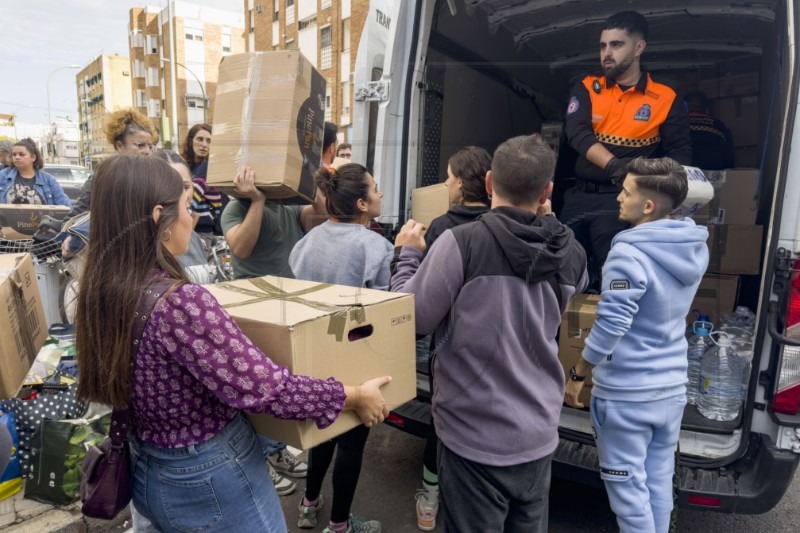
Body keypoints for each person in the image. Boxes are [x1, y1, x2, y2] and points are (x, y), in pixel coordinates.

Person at [74, 154, 392, 533]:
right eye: (186, 206)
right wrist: (353, 396)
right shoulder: (179, 303)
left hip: (147, 465)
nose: (191, 218)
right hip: (209, 475)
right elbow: (267, 388)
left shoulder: (99, 292)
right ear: (160, 217)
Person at [391, 134, 588, 532]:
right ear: (547, 190)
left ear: (488, 183)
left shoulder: (459, 243)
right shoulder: (571, 252)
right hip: (537, 434)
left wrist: (408, 254)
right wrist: (548, 221)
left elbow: (411, 318)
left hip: (471, 436)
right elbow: (578, 286)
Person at [565, 157, 708, 533]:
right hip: (670, 389)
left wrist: (579, 372)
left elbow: (613, 322)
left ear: (648, 206)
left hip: (628, 395)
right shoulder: (692, 246)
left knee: (628, 494)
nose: (617, 199)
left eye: (625, 192)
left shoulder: (628, 253)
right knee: (658, 482)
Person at [289, 163, 391, 533]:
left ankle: (308, 503)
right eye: (376, 190)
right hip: (357, 356)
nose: (380, 195)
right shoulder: (377, 247)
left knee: (321, 430)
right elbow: (383, 311)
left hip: (315, 353)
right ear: (362, 204)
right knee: (351, 442)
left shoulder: (307, 241)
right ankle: (339, 525)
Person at [561, 10, 692, 292]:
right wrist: (614, 167)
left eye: (616, 45)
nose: (606, 53)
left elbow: (680, 154)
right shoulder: (587, 86)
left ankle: (610, 333)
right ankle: (564, 335)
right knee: (563, 275)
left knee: (616, 278)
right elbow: (577, 133)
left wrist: (666, 200)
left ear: (639, 47)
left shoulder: (665, 96)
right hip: (578, 197)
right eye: (603, 45)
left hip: (622, 202)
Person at [413, 145, 492, 531]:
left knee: (440, 421)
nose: (445, 183)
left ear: (460, 183)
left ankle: (430, 497)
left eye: (448, 176)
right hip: (489, 343)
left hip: (448, 345)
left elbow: (424, 304)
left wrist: (408, 255)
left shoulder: (444, 226)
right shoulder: (501, 222)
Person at [61, 108, 157, 258]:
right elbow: (75, 216)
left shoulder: (154, 175)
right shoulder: (103, 175)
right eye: (140, 145)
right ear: (119, 146)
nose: (147, 151)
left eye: (150, 146)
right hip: (111, 258)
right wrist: (70, 238)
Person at [153, 149, 215, 284]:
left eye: (185, 187)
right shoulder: (145, 241)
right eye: (171, 187)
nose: (181, 195)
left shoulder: (194, 238)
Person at [182, 123, 227, 236]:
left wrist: (178, 217)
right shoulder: (186, 166)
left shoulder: (208, 166)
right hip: (190, 224)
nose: (204, 145)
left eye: (209, 141)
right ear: (191, 141)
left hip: (202, 229)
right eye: (200, 139)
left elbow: (195, 193)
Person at [0, 138, 71, 206]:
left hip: (42, 219)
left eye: (21, 154)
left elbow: (66, 206)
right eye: (14, 154)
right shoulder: (3, 176)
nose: (17, 157)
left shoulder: (48, 180)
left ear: (33, 157)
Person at [685, 91, 735, 170]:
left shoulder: (678, 125)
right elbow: (729, 158)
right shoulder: (719, 125)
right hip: (714, 175)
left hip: (683, 175)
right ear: (706, 109)